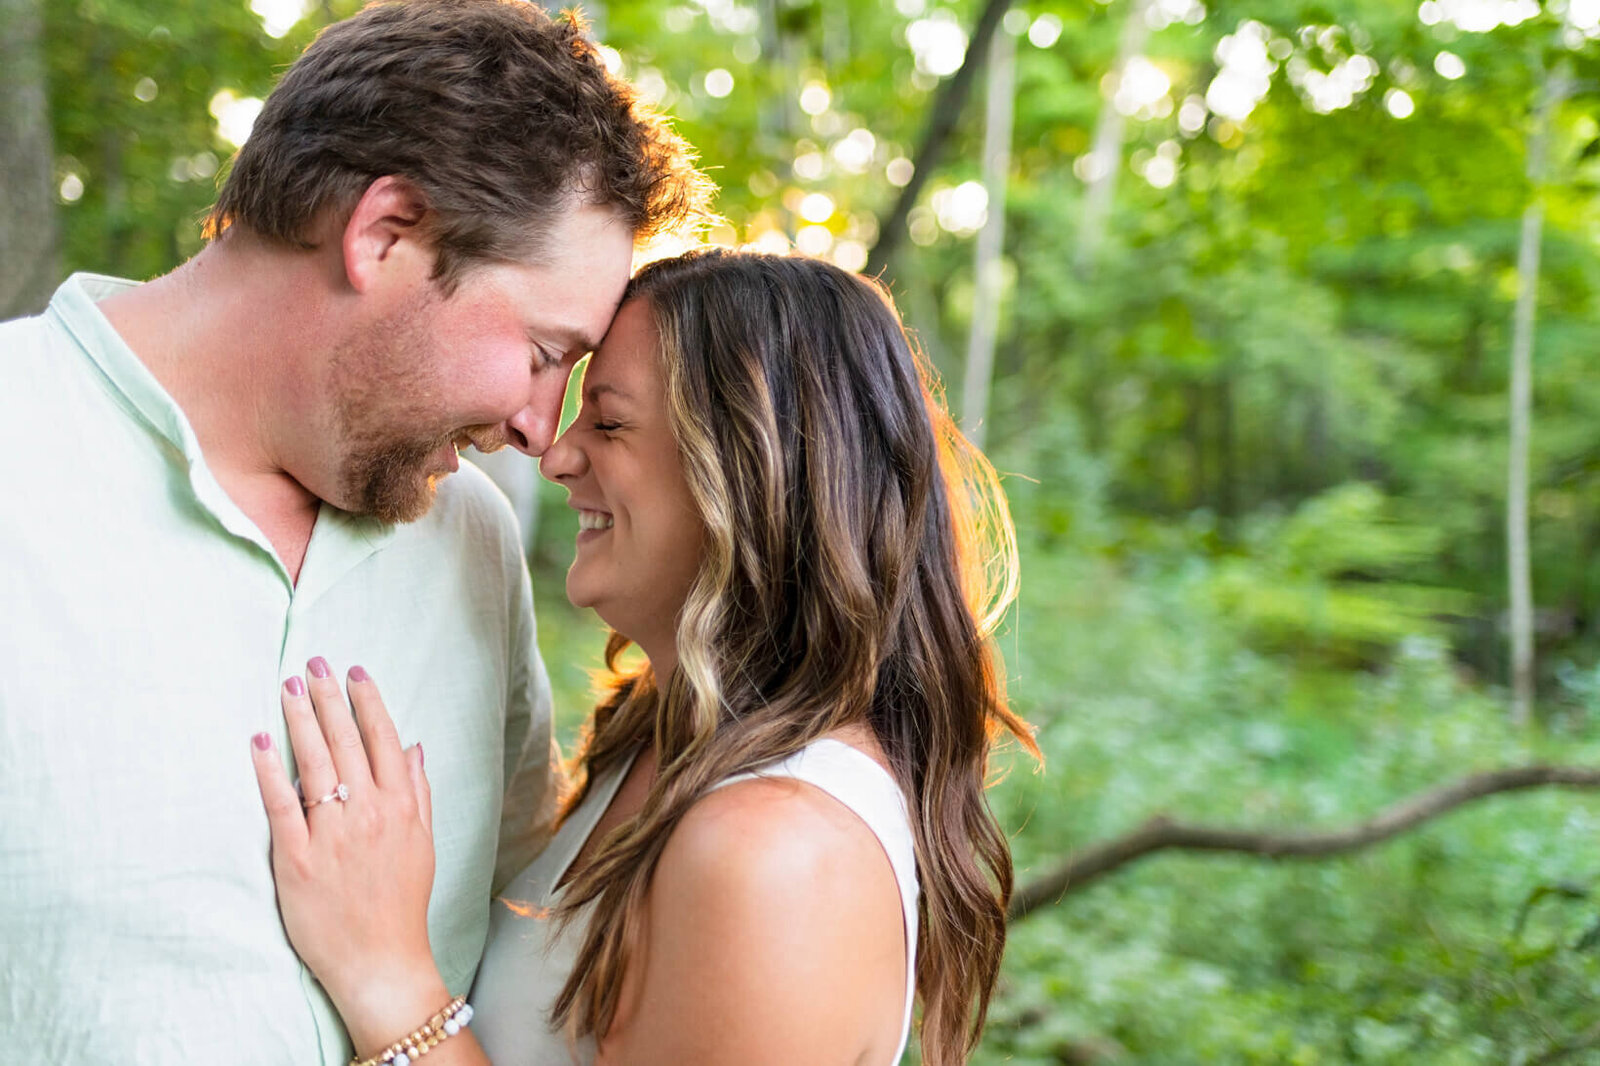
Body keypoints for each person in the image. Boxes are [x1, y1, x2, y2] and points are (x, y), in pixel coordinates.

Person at [0, 2, 708, 1061]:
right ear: (385, 233)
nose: (536, 427)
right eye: (541, 351)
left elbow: (508, 971)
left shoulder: (468, 539)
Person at [251, 249, 1038, 1066]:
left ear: (745, 472)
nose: (556, 454)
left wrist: (388, 977)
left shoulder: (777, 855)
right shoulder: (670, 733)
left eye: (611, 421)